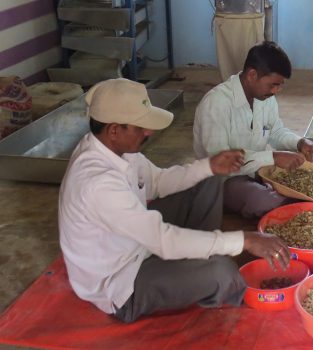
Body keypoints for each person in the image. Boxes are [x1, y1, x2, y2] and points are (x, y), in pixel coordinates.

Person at [59, 78, 290, 323]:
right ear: (114, 130)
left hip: (137, 244)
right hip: (122, 281)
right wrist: (244, 240)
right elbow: (162, 239)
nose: (148, 132)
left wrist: (209, 166)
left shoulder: (115, 148)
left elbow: (157, 182)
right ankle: (203, 268)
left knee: (208, 179)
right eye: (140, 127)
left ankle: (199, 254)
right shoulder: (97, 183)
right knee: (222, 273)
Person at [193, 40, 313, 218]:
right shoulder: (216, 103)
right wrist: (273, 157)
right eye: (273, 84)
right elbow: (222, 162)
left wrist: (301, 143)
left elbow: (276, 132)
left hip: (263, 170)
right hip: (227, 180)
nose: (277, 91)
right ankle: (288, 202)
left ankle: (288, 200)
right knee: (261, 200)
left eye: (280, 85)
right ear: (252, 75)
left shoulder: (265, 97)